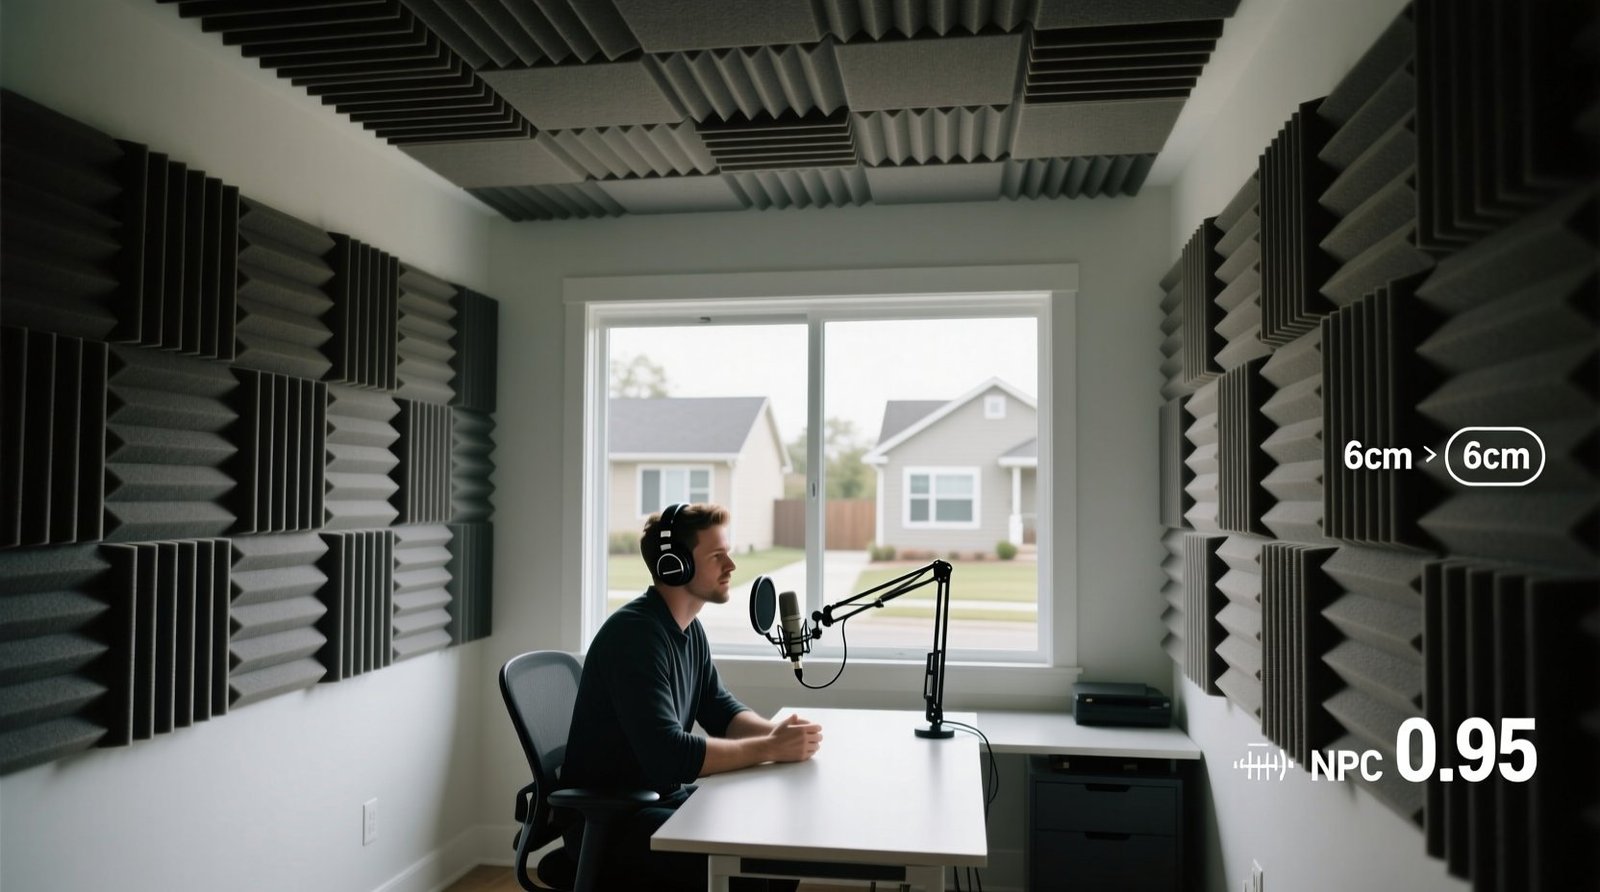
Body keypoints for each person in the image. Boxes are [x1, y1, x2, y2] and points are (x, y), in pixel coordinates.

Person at [560, 502, 823, 891]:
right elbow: (670, 755)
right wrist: (770, 747)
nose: (731, 566)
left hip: (657, 801)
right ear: (674, 565)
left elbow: (720, 710)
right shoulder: (635, 637)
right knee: (758, 868)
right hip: (614, 824)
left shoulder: (688, 630)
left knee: (779, 847)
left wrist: (781, 736)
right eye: (718, 556)